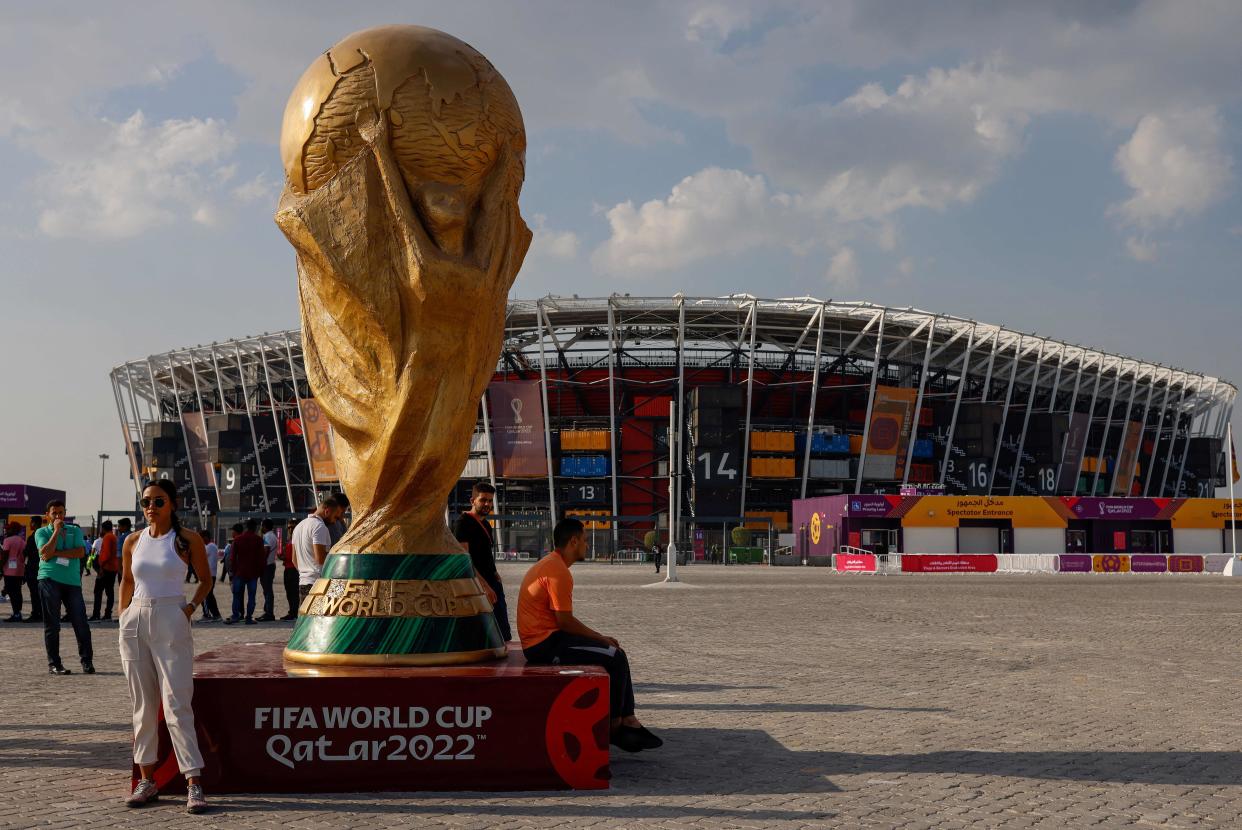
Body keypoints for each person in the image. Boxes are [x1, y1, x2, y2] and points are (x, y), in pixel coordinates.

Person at [517, 517, 662, 753]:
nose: (588, 545)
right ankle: (615, 726)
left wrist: (600, 639)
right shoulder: (557, 572)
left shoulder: (551, 564)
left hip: (546, 639)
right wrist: (600, 638)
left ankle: (628, 719)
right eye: (585, 541)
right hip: (544, 645)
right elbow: (564, 622)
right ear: (573, 541)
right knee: (614, 656)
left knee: (616, 653)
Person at [118, 479, 211, 813]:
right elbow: (127, 579)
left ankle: (193, 780)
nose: (151, 508)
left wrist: (188, 609)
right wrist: (123, 614)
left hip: (172, 614)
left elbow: (205, 579)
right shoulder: (132, 540)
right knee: (142, 705)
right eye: (146, 502)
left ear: (172, 503)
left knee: (175, 701)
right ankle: (146, 779)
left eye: (158, 501)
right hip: (136, 619)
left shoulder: (186, 540)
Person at [35, 500, 94, 675]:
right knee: (52, 625)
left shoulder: (75, 531)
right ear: (47, 515)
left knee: (81, 623)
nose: (59, 516)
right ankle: (54, 664)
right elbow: (44, 553)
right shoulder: (41, 532)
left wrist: (56, 553)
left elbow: (80, 552)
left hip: (72, 582)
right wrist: (56, 532)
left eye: (61, 512)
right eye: (54, 513)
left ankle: (87, 662)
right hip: (49, 579)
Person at [453, 482, 510, 641]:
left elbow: (484, 554)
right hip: (477, 584)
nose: (487, 504)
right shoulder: (463, 523)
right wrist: (484, 585)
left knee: (502, 630)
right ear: (472, 501)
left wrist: (494, 572)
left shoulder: (485, 524)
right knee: (486, 631)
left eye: (490, 501)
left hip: (491, 582)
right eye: (483, 500)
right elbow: (465, 558)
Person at [292, 498, 342, 606]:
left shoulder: (299, 527)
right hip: (317, 584)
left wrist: (304, 572)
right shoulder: (319, 527)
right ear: (327, 511)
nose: (334, 521)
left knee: (305, 621)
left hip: (303, 582)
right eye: (335, 517)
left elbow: (294, 559)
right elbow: (320, 559)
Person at [224, 520, 264, 625]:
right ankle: (249, 618)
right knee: (251, 596)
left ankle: (235, 616)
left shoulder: (237, 540)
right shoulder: (259, 540)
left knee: (236, 596)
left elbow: (232, 558)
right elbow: (261, 558)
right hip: (253, 573)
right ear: (255, 528)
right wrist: (259, 571)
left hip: (239, 572)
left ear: (246, 527)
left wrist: (233, 572)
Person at [89, 520, 119, 620]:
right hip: (113, 567)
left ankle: (96, 614)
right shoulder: (114, 537)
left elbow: (105, 554)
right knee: (110, 592)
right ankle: (108, 614)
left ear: (103, 528)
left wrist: (101, 567)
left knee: (98, 591)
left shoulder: (107, 537)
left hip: (106, 568)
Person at [3, 523, 26, 622]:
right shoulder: (22, 541)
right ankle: (18, 613)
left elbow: (4, 556)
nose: (6, 531)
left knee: (12, 593)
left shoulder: (7, 540)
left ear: (13, 530)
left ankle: (16, 614)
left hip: (9, 570)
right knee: (18, 592)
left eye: (7, 529)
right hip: (20, 569)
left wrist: (0, 568)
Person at [22, 516, 43, 623]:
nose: (30, 525)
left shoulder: (33, 537)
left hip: (33, 569)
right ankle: (42, 613)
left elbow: (25, 553)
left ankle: (36, 614)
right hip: (42, 568)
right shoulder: (44, 534)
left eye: (31, 523)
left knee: (34, 593)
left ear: (34, 523)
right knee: (41, 593)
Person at [257, 519, 278, 622]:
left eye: (262, 526)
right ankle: (267, 611)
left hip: (267, 566)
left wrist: (261, 563)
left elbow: (266, 550)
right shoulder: (272, 536)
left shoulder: (268, 536)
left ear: (265, 526)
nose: (261, 528)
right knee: (267, 590)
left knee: (268, 590)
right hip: (270, 565)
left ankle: (269, 613)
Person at [198, 530, 221, 621]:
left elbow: (199, 555)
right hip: (211, 574)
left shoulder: (210, 546)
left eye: (201, 538)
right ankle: (216, 614)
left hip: (208, 574)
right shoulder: (213, 546)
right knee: (209, 595)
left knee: (204, 595)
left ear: (206, 537)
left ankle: (207, 615)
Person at [280, 518, 300, 620]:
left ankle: (294, 612)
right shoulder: (289, 540)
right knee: (289, 592)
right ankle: (292, 611)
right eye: (289, 527)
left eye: (293, 527)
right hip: (287, 568)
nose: (291, 529)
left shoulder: (298, 539)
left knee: (294, 592)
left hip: (295, 569)